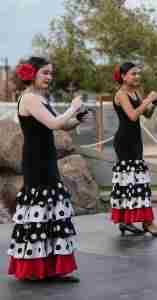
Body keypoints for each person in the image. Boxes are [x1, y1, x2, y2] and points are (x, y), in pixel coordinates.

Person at [8, 57, 85, 281]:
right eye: (45, 73)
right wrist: (72, 106)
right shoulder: (30, 99)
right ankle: (35, 269)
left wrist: (78, 118)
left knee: (51, 211)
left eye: (51, 73)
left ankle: (51, 267)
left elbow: (60, 124)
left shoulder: (39, 98)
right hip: (36, 161)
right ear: (31, 74)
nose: (49, 77)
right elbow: (55, 124)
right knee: (40, 211)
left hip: (46, 158)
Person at [111, 62, 157, 237]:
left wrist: (153, 104)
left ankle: (127, 221)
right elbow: (133, 115)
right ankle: (147, 222)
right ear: (123, 76)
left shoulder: (135, 93)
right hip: (124, 141)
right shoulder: (121, 94)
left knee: (135, 181)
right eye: (133, 74)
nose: (137, 77)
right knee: (131, 181)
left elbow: (146, 114)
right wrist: (148, 100)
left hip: (135, 140)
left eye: (138, 74)